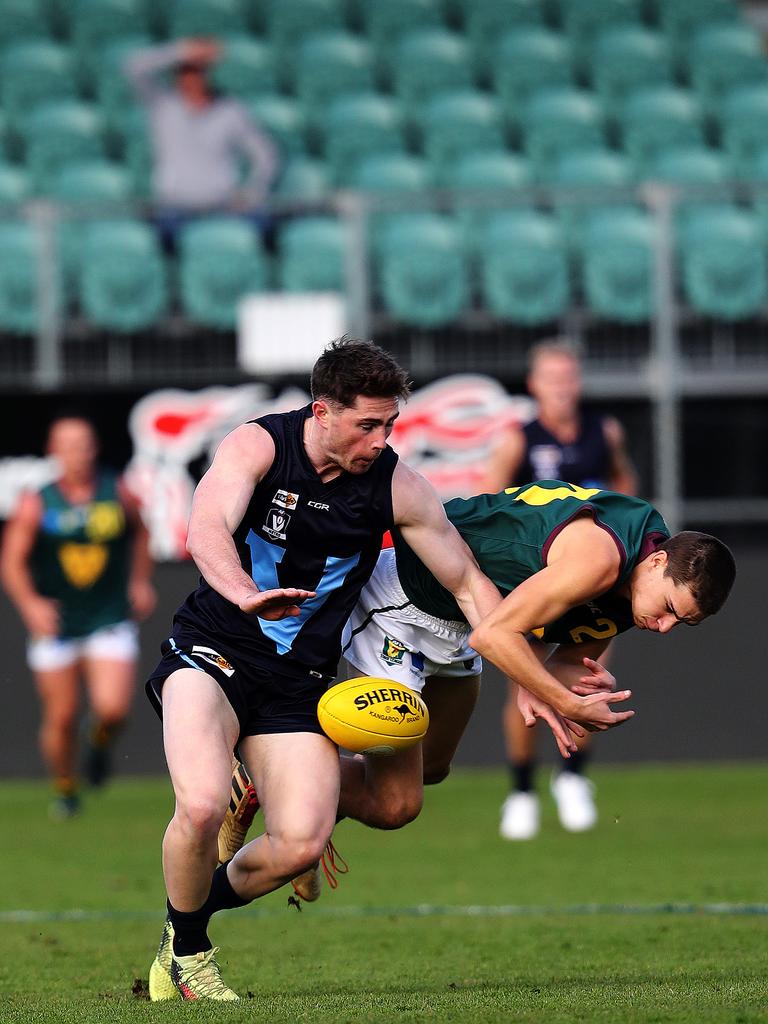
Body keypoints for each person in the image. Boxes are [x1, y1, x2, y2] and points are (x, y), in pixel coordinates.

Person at [143, 340, 626, 1003]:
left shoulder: (396, 485)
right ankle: (194, 956)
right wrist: (242, 591)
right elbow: (205, 528)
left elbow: (467, 584)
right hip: (215, 648)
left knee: (303, 844)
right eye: (367, 424)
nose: (380, 439)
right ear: (322, 411)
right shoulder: (258, 447)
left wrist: (525, 679)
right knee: (198, 805)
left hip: (300, 682)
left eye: (390, 425)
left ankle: (180, 932)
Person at [482, 337, 639, 840]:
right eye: (552, 378)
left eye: (569, 377)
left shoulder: (603, 432)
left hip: (592, 582)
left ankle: (572, 777)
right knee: (523, 682)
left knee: (586, 678)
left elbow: (624, 482)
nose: (562, 388)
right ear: (534, 385)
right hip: (538, 579)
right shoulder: (519, 440)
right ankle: (522, 790)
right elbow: (491, 500)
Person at [0, 415, 156, 819]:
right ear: (53, 451)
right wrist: (31, 604)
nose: (77, 453)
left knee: (112, 709)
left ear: (95, 448)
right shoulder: (38, 501)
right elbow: (12, 561)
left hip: (108, 615)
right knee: (62, 714)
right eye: (67, 445)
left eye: (83, 444)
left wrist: (140, 581)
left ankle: (99, 745)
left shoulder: (115, 491)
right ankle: (66, 788)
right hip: (57, 623)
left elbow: (141, 532)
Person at [124, 38, 279, 252]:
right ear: (177, 78)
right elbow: (134, 67)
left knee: (265, 224)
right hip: (175, 204)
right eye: (186, 72)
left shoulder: (230, 110)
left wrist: (253, 191)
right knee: (155, 236)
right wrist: (182, 51)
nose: (192, 79)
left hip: (221, 203)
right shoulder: (162, 105)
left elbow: (266, 154)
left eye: (197, 72)